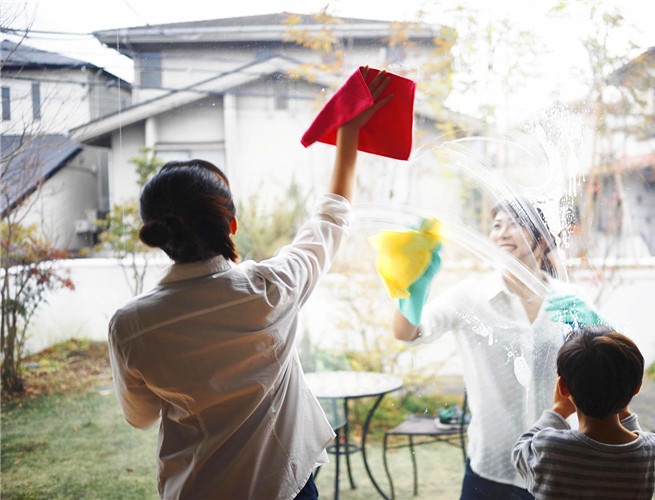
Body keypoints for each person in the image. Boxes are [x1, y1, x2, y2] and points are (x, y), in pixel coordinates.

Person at [107, 68, 392, 500]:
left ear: (158, 236)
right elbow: (331, 218)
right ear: (232, 224)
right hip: (287, 489)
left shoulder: (131, 326)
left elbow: (142, 418)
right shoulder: (272, 289)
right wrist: (349, 130)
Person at [390, 198, 602, 499]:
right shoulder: (470, 297)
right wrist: (412, 287)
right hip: (490, 468)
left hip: (559, 462)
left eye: (514, 224)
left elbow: (610, 368)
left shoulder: (570, 301)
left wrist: (599, 328)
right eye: (496, 225)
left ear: (541, 240)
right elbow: (407, 333)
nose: (502, 232)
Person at [512, 325, 655, 499]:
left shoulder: (551, 450)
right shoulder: (654, 453)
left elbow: (520, 450)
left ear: (563, 388)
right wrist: (621, 403)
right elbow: (642, 452)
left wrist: (558, 411)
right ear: (637, 388)